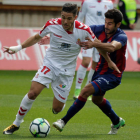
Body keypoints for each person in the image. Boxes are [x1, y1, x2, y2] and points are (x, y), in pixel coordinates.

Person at [2, 3, 119, 135]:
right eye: (63, 17)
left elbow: (98, 45)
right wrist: (18, 47)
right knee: (33, 93)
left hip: (66, 72)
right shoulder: (52, 24)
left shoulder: (84, 29)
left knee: (57, 109)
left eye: (69, 18)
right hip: (50, 64)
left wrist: (109, 61)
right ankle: (16, 123)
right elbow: (36, 37)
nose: (65, 21)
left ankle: (58, 96)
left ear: (75, 17)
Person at [53, 8, 127, 135]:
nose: (106, 26)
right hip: (99, 71)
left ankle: (63, 121)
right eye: (105, 22)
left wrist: (94, 44)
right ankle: (116, 121)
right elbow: (79, 29)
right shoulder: (99, 29)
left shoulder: (121, 36)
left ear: (118, 24)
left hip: (113, 74)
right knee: (97, 100)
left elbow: (112, 47)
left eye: (110, 23)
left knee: (85, 91)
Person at [74, 0, 113, 100]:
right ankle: (77, 89)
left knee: (95, 64)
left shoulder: (109, 3)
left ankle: (87, 89)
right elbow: (79, 18)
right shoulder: (86, 2)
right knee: (86, 61)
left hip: (101, 38)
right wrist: (76, 32)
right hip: (88, 36)